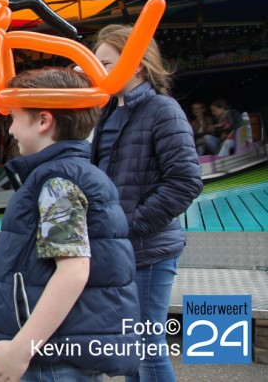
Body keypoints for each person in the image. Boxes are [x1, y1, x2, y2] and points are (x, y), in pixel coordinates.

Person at [0, 68, 139, 381]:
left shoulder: (58, 183)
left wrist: (23, 348)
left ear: (43, 120)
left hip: (49, 360)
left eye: (15, 118)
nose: (10, 130)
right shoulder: (68, 174)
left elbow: (73, 270)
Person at [91, 25, 203, 382]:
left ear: (136, 65)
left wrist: (130, 224)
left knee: (147, 348)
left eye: (106, 63)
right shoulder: (108, 113)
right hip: (118, 251)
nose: (98, 71)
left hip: (150, 251)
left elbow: (185, 182)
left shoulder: (162, 110)